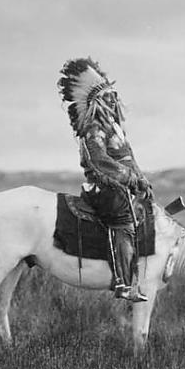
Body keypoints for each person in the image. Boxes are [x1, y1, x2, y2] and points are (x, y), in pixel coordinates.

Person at [58, 57, 152, 302]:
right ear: (97, 102)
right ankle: (123, 282)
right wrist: (130, 178)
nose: (113, 99)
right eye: (108, 96)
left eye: (114, 95)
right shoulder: (93, 128)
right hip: (104, 188)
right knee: (122, 219)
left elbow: (128, 157)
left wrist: (141, 180)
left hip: (122, 186)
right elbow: (100, 162)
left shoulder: (115, 128)